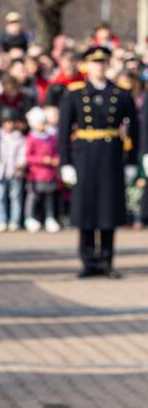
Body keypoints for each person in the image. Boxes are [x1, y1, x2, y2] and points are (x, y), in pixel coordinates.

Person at [59, 44, 139, 277]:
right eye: (95, 63)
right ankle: (87, 261)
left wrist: (132, 162)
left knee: (107, 210)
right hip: (84, 155)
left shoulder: (120, 94)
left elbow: (134, 129)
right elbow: (63, 132)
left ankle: (106, 261)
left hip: (110, 156)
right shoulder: (75, 94)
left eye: (103, 63)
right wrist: (65, 163)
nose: (99, 67)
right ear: (87, 66)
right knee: (85, 210)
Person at [24, 106, 61, 232]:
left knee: (49, 198)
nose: (44, 125)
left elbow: (56, 150)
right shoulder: (31, 138)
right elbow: (28, 156)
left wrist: (56, 159)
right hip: (35, 174)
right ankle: (29, 217)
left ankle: (50, 217)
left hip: (49, 174)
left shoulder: (50, 137)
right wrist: (42, 160)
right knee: (33, 198)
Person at [0, 107, 27, 231]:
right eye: (7, 122)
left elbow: (23, 153)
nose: (10, 125)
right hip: (0, 172)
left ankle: (14, 220)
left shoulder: (19, 137)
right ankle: (0, 220)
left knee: (15, 198)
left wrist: (21, 163)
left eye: (12, 122)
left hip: (15, 172)